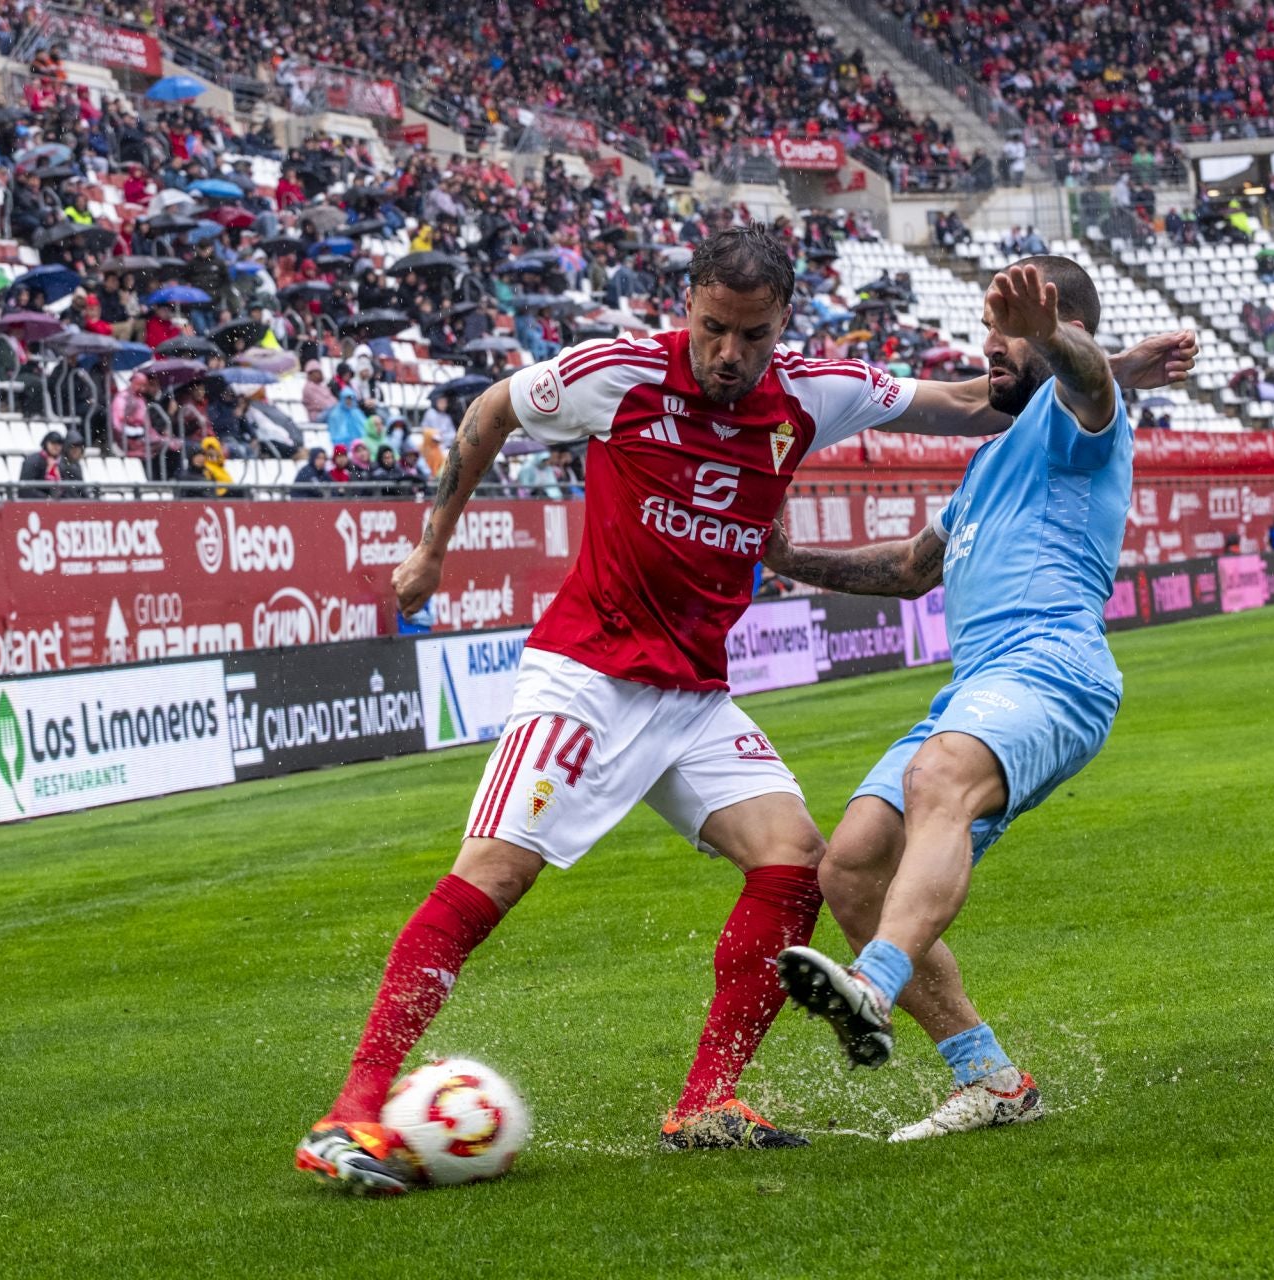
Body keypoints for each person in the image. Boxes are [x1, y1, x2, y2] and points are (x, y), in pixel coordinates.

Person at [295, 228, 1196, 1192]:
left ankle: (707, 1101)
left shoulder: (813, 391)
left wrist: (1104, 364)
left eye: (753, 336)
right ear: (688, 308)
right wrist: (433, 549)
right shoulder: (618, 374)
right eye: (715, 329)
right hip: (589, 673)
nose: (731, 355)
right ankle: (351, 1111)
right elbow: (489, 411)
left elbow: (975, 402)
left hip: (695, 694)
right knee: (498, 874)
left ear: (782, 326)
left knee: (800, 864)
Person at [762, 259, 1195, 1143]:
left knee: (939, 777)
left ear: (1054, 324)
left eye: (1005, 331)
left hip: (1052, 669)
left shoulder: (1084, 419)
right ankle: (990, 1077)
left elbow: (1091, 376)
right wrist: (787, 560)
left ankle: (873, 985)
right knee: (848, 865)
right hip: (977, 683)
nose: (987, 348)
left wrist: (1053, 335)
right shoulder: (991, 459)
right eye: (987, 330)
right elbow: (912, 569)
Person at [19, 430, 67, 499]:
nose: (56, 446)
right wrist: (46, 498)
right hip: (34, 504)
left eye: (59, 444)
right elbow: (25, 489)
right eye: (53, 443)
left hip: (54, 504)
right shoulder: (33, 461)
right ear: (45, 443)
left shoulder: (61, 463)